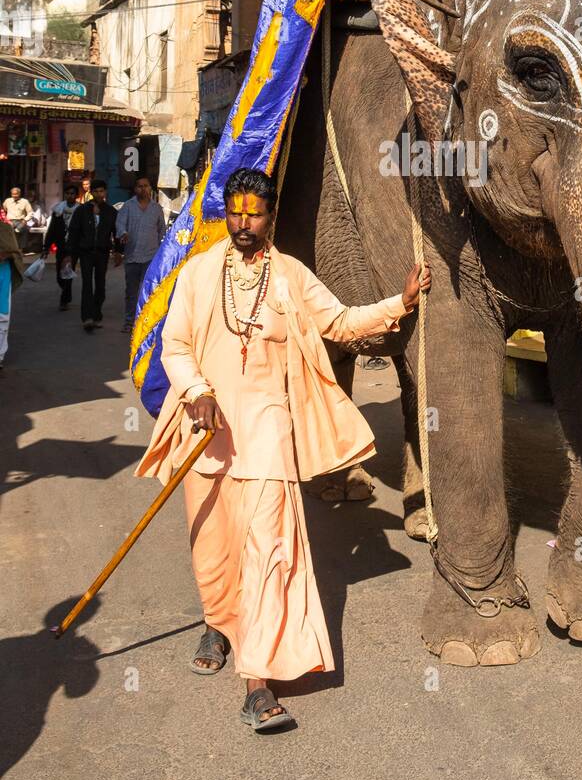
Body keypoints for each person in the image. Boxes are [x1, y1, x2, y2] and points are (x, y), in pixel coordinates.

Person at [134, 166, 431, 732]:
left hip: (268, 436)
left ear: (271, 217)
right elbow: (174, 347)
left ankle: (259, 683)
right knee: (214, 547)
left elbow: (341, 323)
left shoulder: (292, 276)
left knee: (271, 550)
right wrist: (195, 391)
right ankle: (219, 624)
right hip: (208, 435)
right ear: (226, 213)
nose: (244, 223)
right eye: (236, 212)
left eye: (256, 213)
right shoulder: (198, 275)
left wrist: (400, 301)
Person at [63, 179, 122, 332]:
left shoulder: (110, 211)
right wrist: (69, 253)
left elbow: (117, 233)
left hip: (102, 253)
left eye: (101, 191)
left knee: (100, 286)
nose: (99, 194)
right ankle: (87, 318)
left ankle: (97, 315)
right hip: (86, 253)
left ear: (105, 192)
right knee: (87, 285)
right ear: (91, 193)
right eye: (96, 191)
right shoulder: (81, 211)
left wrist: (118, 252)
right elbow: (74, 232)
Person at [115, 177, 166, 332]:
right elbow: (120, 225)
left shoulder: (157, 208)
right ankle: (129, 322)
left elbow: (161, 231)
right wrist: (123, 234)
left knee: (150, 291)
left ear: (151, 188)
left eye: (146, 186)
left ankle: (146, 321)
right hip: (132, 257)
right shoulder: (128, 207)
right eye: (139, 186)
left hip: (151, 257)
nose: (143, 189)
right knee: (131, 292)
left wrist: (162, 254)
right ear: (135, 189)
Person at [44, 184, 81, 311]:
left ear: (77, 195)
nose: (70, 195)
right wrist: (46, 247)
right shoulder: (58, 210)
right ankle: (67, 294)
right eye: (68, 193)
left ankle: (64, 300)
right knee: (60, 276)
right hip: (61, 245)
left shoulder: (80, 210)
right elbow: (52, 229)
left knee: (68, 272)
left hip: (74, 247)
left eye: (72, 193)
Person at [0, 218, 24, 371]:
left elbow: (15, 253)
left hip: (2, 276)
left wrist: (4, 254)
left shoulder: (6, 229)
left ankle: (0, 355)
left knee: (2, 316)